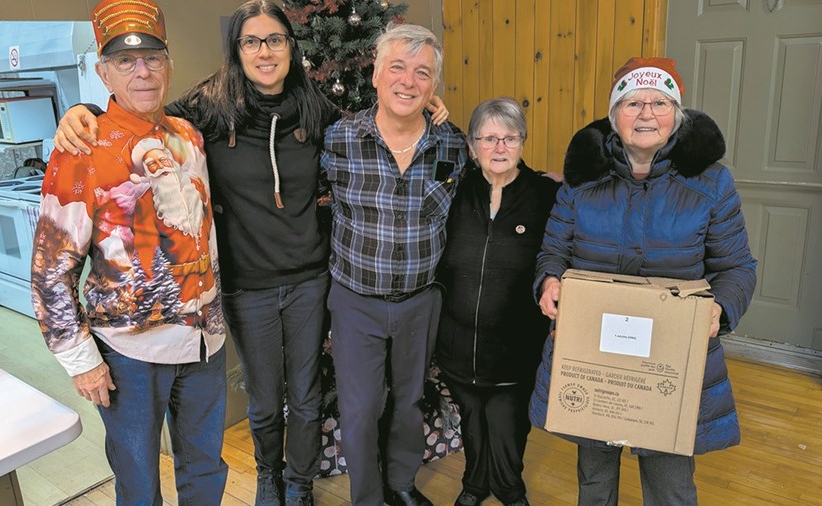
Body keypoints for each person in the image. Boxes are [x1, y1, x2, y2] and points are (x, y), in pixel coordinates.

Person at [51, 3, 449, 505]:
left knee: (304, 396)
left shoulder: (315, 110)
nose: (265, 51)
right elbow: (139, 113)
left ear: (291, 48)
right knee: (263, 399)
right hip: (244, 287)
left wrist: (419, 105)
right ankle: (268, 477)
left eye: (275, 40)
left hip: (308, 281)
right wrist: (84, 110)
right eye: (252, 41)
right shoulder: (206, 113)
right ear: (237, 51)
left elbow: (373, 126)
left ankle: (298, 483)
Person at [529, 57, 757, 505]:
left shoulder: (711, 183)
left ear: (677, 115)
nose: (646, 114)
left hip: (672, 356)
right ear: (614, 115)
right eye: (633, 103)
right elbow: (553, 251)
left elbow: (737, 267)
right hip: (593, 353)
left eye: (659, 103)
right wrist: (549, 281)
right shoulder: (582, 179)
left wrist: (720, 308)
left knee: (671, 486)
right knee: (595, 480)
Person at [30, 0, 229, 503]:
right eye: (125, 61)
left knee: (207, 468)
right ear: (104, 73)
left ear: (169, 65)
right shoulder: (81, 149)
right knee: (138, 482)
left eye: (153, 58)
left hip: (204, 342)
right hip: (129, 355)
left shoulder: (189, 136)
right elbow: (51, 268)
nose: (143, 72)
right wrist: (80, 359)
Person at [321, 22, 468, 506]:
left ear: (433, 85)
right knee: (360, 409)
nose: (408, 81)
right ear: (376, 75)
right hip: (355, 301)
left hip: (420, 302)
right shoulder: (339, 139)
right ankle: (367, 497)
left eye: (422, 73)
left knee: (409, 401)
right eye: (397, 68)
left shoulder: (451, 145)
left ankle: (401, 484)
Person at [435, 98, 560, 506]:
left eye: (510, 137)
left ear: (523, 142)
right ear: (473, 146)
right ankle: (474, 484)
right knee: (472, 421)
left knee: (507, 423)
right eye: (488, 138)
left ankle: (508, 488)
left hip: (515, 344)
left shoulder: (546, 194)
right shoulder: (454, 190)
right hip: (457, 340)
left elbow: (562, 251)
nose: (500, 147)